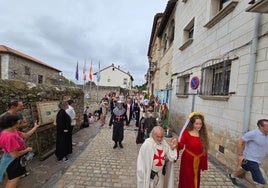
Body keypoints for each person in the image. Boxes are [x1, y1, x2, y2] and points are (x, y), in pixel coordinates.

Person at [0, 113, 40, 188]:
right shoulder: (10, 136)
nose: (20, 122)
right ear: (12, 123)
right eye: (18, 121)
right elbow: (15, 155)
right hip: (12, 161)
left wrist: (35, 126)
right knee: (13, 181)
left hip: (10, 159)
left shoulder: (10, 131)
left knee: (13, 179)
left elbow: (27, 135)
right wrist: (27, 149)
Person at [228, 119, 268, 188]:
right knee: (260, 182)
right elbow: (240, 142)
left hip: (258, 160)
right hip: (251, 159)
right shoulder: (253, 133)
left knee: (244, 169)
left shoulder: (266, 134)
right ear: (261, 127)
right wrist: (240, 155)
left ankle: (232, 176)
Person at [177, 112, 209, 188]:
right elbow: (181, 145)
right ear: (192, 124)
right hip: (187, 161)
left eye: (200, 124)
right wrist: (174, 147)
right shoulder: (186, 133)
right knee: (187, 180)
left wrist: (203, 163)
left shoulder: (202, 134)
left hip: (197, 161)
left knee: (195, 179)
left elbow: (204, 150)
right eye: (196, 124)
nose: (199, 126)